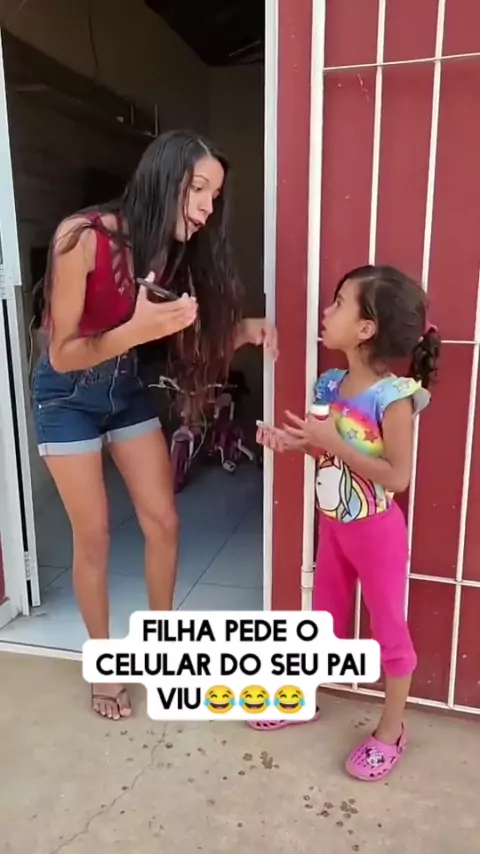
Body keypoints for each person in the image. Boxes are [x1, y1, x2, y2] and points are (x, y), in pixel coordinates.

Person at [32, 129, 277, 721]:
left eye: (215, 196)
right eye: (198, 189)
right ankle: (103, 666)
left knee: (164, 522)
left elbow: (175, 337)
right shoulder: (81, 238)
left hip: (124, 387)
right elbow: (62, 354)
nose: (207, 207)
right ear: (164, 180)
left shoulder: (167, 250)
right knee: (94, 537)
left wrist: (241, 330)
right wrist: (136, 332)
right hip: (66, 395)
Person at [255, 265, 440, 782]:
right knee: (324, 618)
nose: (326, 311)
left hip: (377, 534)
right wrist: (296, 444)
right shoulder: (329, 384)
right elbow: (328, 454)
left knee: (389, 630)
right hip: (335, 527)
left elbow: (397, 477)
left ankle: (392, 730)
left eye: (339, 303)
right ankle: (302, 697)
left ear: (366, 328)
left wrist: (331, 442)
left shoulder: (393, 398)